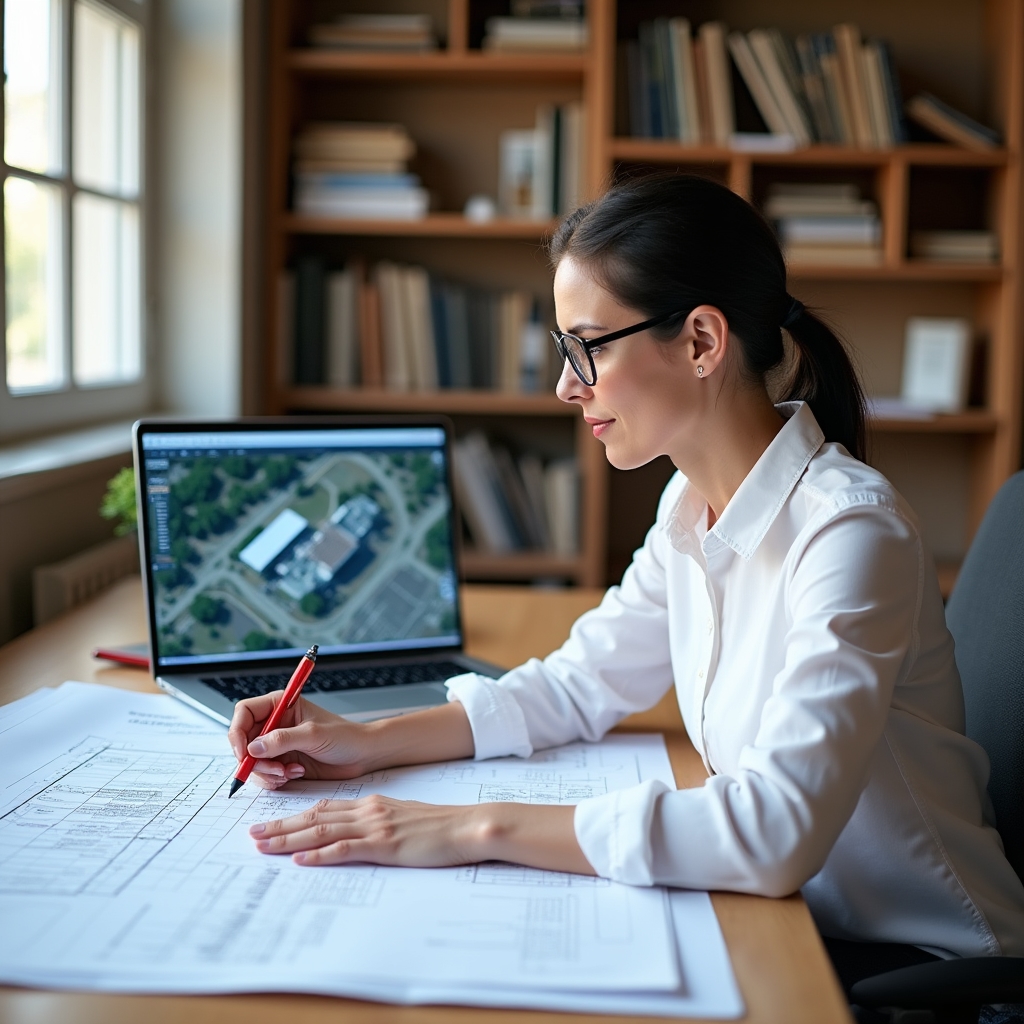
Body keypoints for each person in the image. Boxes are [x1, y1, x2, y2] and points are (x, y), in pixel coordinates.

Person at [229, 175, 1024, 984]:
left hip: (914, 964)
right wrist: (366, 744)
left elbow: (775, 833)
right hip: (784, 919)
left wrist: (469, 829)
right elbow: (576, 686)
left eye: (589, 346)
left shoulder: (851, 533)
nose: (568, 385)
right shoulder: (692, 502)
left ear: (703, 342)